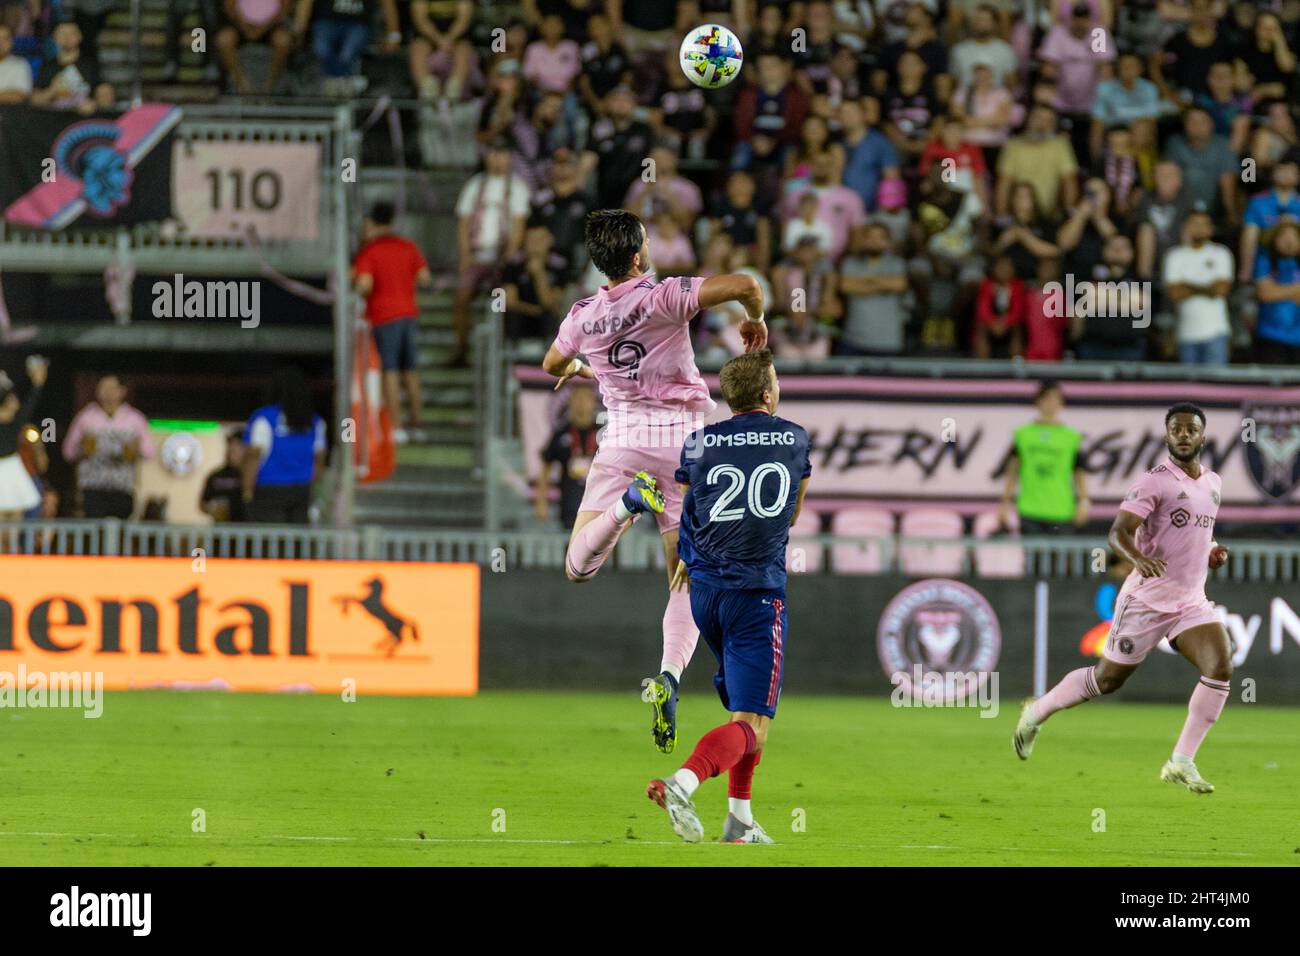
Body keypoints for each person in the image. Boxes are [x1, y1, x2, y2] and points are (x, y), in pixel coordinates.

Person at [541, 208, 768, 754]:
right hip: (687, 444)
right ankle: (668, 676)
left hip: (624, 438)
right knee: (684, 577)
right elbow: (745, 284)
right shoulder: (665, 296)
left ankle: (625, 506)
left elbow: (552, 362)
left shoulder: (584, 314)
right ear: (639, 256)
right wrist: (755, 319)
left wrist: (581, 371)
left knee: (577, 566)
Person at [1015, 403, 1232, 796]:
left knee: (1220, 667)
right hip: (1145, 601)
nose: (1183, 435)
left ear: (1203, 437)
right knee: (1107, 680)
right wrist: (1138, 558)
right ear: (1167, 437)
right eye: (1176, 429)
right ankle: (1036, 712)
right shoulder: (1154, 481)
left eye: (1191, 429)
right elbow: (1117, 533)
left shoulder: (1213, 483)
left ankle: (1181, 761)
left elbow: (1197, 535)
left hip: (1190, 602)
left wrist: (1212, 550)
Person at [647, 347, 811, 845]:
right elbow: (791, 515)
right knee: (754, 724)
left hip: (705, 596)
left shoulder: (698, 443)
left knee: (745, 712)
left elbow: (684, 513)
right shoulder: (794, 438)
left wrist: (686, 564)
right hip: (757, 594)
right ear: (767, 393)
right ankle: (683, 782)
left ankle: (739, 820)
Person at [352, 200, 433, 442]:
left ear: (373, 223)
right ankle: (417, 425)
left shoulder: (370, 251)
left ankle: (396, 427)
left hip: (384, 317)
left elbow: (365, 284)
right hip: (408, 314)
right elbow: (425, 277)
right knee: (411, 371)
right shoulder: (407, 247)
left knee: (390, 370)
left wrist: (355, 285)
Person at [998, 380, 1088, 535]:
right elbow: (1013, 471)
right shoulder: (1023, 434)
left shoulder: (1071, 437)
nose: (1051, 404)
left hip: (1062, 510)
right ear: (1038, 402)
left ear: (1061, 403)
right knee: (1033, 559)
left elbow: (1078, 473)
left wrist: (1084, 502)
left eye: (1055, 399)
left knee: (1060, 559)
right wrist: (1005, 503)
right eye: (1046, 399)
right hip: (1030, 510)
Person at [241, 367, 327, 524]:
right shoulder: (315, 422)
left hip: (269, 490)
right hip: (302, 491)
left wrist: (247, 491)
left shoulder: (265, 418)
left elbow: (253, 456)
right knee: (297, 544)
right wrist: (311, 488)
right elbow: (319, 460)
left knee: (270, 543)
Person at [63, 374, 154, 519]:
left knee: (120, 533)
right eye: (103, 388)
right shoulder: (86, 418)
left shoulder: (135, 419)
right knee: (95, 532)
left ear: (122, 391)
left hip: (123, 487)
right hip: (92, 487)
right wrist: (83, 450)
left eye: (112, 388)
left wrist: (134, 451)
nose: (107, 392)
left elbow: (149, 452)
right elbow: (68, 452)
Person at [1163, 208, 1234, 365]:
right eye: (1194, 224)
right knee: (1189, 388)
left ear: (1211, 229)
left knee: (1216, 386)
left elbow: (1221, 289)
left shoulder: (1221, 253)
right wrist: (1207, 288)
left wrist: (1186, 285)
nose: (1199, 228)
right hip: (1186, 333)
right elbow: (1174, 292)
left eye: (1204, 224)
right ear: (1186, 227)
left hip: (1216, 332)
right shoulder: (1175, 255)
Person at [535, 382, 600, 528]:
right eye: (576, 397)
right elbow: (546, 465)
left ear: (593, 401)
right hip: (570, 506)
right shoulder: (561, 433)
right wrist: (541, 502)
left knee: (602, 548)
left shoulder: (605, 433)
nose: (581, 402)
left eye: (585, 397)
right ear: (570, 401)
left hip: (600, 508)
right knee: (571, 548)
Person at [30, 19, 113, 114]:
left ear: (80, 36)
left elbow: (106, 94)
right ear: (55, 38)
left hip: (82, 125)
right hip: (54, 122)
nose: (67, 38)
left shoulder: (91, 65)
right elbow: (35, 100)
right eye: (63, 34)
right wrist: (52, 90)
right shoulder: (47, 66)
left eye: (71, 33)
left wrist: (94, 104)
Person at [215, 0, 296, 96]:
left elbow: (284, 9)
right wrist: (246, 27)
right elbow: (229, 7)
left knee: (283, 42)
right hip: (241, 25)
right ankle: (241, 85)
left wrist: (261, 29)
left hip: (270, 26)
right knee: (223, 41)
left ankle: (269, 88)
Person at [0, 355, 46, 520]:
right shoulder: (14, 423)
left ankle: (14, 546)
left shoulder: (16, 424)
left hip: (13, 469)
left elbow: (30, 404)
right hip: (6, 468)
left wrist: (38, 384)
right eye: (13, 400)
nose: (17, 404)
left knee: (16, 518)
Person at [1251, 220, 1300, 364]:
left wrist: (1278, 291)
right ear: (1274, 240)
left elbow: (1271, 292)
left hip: (1298, 337)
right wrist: (1296, 290)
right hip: (1270, 336)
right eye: (1283, 236)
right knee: (1272, 384)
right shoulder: (1264, 262)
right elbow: (1265, 294)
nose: (1288, 241)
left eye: (1294, 236)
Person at [199, 428, 248, 523]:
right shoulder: (216, 475)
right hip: (221, 531)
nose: (232, 449)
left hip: (245, 530)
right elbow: (203, 503)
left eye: (238, 445)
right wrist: (212, 509)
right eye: (231, 445)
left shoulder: (255, 476)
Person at [0, 23, 32, 104]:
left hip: (9, 114)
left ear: (11, 42)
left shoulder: (20, 64)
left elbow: (19, 96)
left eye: (5, 39)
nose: (0, 43)